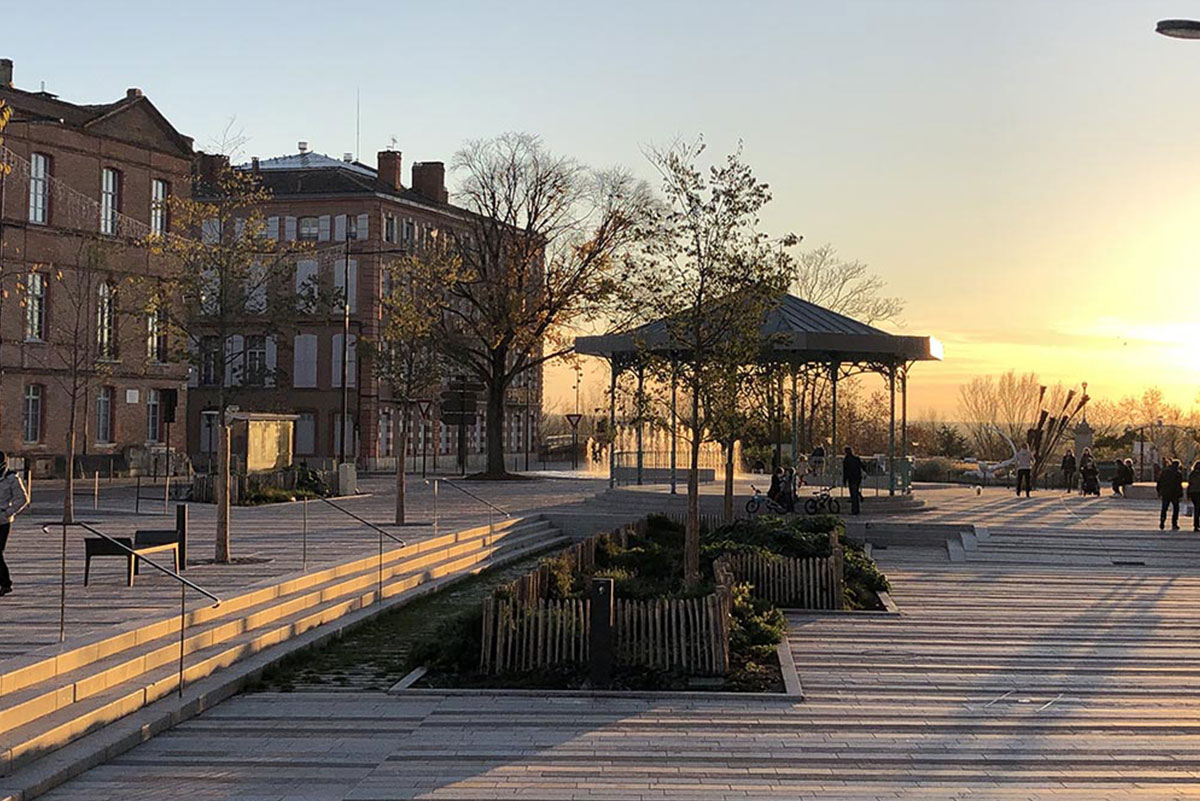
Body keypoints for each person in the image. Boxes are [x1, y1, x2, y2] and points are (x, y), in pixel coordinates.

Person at [0, 453, 30, 597]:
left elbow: (23, 499)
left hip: (2, 521)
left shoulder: (11, 478)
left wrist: (7, 513)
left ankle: (5, 583)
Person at [1157, 458, 1185, 531]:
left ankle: (1162, 521)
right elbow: (1179, 485)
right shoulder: (1178, 473)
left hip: (1166, 493)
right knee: (1176, 509)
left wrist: (1159, 491)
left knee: (1164, 508)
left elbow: (1159, 482)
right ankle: (1174, 523)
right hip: (1175, 493)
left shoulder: (1165, 472)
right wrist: (1181, 494)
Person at [842, 445, 865, 515]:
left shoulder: (846, 460)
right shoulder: (856, 458)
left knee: (853, 494)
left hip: (851, 478)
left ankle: (854, 510)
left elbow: (845, 471)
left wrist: (844, 480)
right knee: (855, 491)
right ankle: (857, 507)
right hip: (858, 477)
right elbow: (862, 466)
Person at [1187, 460, 1200, 533]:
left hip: (1193, 492)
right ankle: (1196, 524)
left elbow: (1190, 484)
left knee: (1196, 508)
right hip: (1198, 492)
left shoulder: (1192, 474)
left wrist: (1188, 494)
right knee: (1198, 509)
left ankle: (1196, 524)